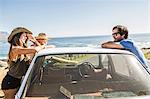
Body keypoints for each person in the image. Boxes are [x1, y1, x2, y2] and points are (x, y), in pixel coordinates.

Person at [1, 27, 44, 99]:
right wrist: (43, 45)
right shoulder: (15, 49)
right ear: (17, 37)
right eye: (24, 36)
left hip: (18, 80)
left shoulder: (23, 49)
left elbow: (39, 50)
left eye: (26, 36)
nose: (26, 38)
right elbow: (36, 49)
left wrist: (34, 41)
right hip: (10, 81)